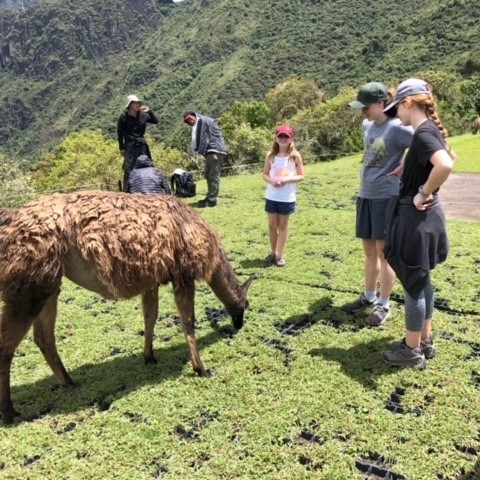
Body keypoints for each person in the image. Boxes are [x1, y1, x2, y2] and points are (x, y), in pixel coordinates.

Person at [381, 78, 455, 369]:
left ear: (407, 103)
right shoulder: (430, 130)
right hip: (428, 218)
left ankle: (411, 351)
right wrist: (411, 169)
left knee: (413, 285)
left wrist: (422, 191)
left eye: (396, 107)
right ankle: (425, 340)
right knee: (422, 280)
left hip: (416, 219)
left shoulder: (423, 133)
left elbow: (445, 164)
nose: (395, 114)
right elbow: (448, 155)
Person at [343, 82, 414, 326]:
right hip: (366, 195)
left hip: (386, 197)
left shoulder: (396, 128)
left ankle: (384, 304)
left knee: (385, 255)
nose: (363, 113)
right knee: (369, 251)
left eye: (366, 107)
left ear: (383, 103)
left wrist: (406, 164)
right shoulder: (367, 125)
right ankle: (369, 296)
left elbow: (427, 144)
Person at [262, 124, 304, 267]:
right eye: (281, 136)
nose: (283, 139)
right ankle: (273, 253)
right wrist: (272, 181)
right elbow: (265, 174)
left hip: (286, 197)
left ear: (291, 138)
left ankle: (280, 255)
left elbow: (301, 176)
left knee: (283, 226)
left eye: (286, 136)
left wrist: (287, 180)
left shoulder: (295, 156)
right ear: (276, 138)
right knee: (272, 225)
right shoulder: (270, 155)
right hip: (272, 195)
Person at [182, 111, 227, 207]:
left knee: (213, 175)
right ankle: (209, 196)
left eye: (190, 118)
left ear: (193, 115)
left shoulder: (204, 121)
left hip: (215, 150)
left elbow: (212, 136)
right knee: (208, 174)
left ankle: (212, 200)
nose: (190, 121)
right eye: (187, 121)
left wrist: (214, 151)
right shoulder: (199, 123)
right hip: (209, 151)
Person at [117, 95, 159, 191]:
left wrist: (149, 111)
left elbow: (155, 121)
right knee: (129, 168)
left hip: (142, 144)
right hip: (130, 145)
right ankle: (127, 192)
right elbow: (120, 133)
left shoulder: (143, 115)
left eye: (138, 103)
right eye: (135, 103)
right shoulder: (124, 117)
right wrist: (121, 147)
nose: (138, 105)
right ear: (130, 105)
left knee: (147, 165)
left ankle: (149, 188)